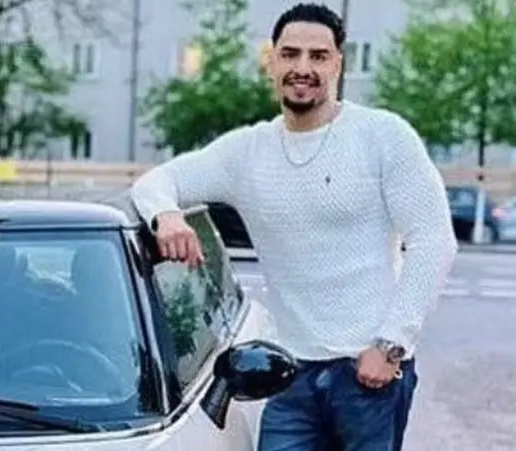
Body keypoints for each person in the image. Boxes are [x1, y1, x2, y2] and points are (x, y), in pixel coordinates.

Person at [129, 3, 458, 450]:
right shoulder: (247, 152)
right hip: (290, 377)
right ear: (273, 62)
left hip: (368, 375)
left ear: (338, 63)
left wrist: (391, 345)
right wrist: (165, 215)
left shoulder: (382, 136)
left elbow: (434, 240)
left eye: (318, 56)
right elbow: (155, 182)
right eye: (290, 54)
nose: (302, 67)